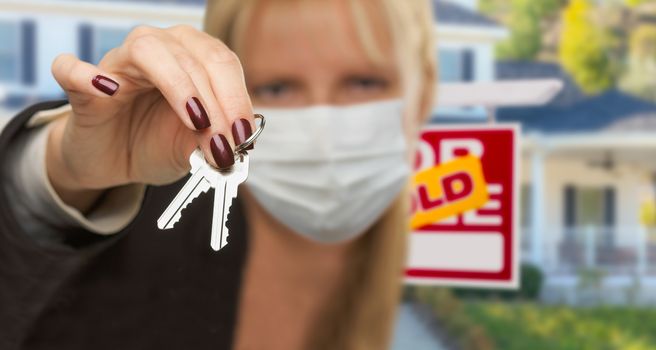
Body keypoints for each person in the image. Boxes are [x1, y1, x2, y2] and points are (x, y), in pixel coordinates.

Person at [0, 0, 436, 349]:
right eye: (277, 87)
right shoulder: (138, 236)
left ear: (425, 95)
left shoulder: (444, 317)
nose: (321, 126)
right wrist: (57, 174)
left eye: (363, 83)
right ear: (224, 91)